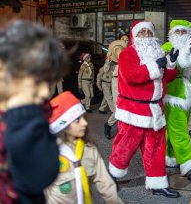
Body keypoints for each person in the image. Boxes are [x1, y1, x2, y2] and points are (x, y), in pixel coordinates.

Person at [108, 21, 180, 198]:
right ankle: (111, 176)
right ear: (135, 36)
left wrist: (170, 64)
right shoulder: (128, 54)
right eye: (142, 33)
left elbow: (167, 78)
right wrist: (156, 65)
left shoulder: (157, 52)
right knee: (126, 147)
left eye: (149, 32)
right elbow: (132, 76)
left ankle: (157, 183)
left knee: (155, 148)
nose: (146, 36)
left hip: (155, 109)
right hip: (134, 110)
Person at [0, 20, 68, 204]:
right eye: (39, 81)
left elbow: (44, 174)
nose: (46, 91)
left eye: (49, 81)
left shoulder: (36, 113)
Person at [46, 91, 123, 204]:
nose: (84, 123)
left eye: (83, 118)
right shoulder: (48, 154)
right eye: (77, 120)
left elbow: (106, 185)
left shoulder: (89, 151)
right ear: (63, 125)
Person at [162, 19, 191, 181]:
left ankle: (170, 156)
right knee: (180, 130)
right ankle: (188, 164)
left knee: (172, 129)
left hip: (187, 96)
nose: (180, 35)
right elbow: (174, 68)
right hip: (173, 95)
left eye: (184, 32)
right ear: (172, 34)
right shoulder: (167, 48)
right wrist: (185, 54)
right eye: (177, 32)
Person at [103, 40, 127, 139]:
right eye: (124, 39)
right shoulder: (112, 58)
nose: (126, 41)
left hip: (126, 82)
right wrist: (108, 59)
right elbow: (105, 70)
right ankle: (108, 124)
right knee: (118, 108)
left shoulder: (128, 55)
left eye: (127, 40)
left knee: (127, 107)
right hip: (116, 82)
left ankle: (124, 131)